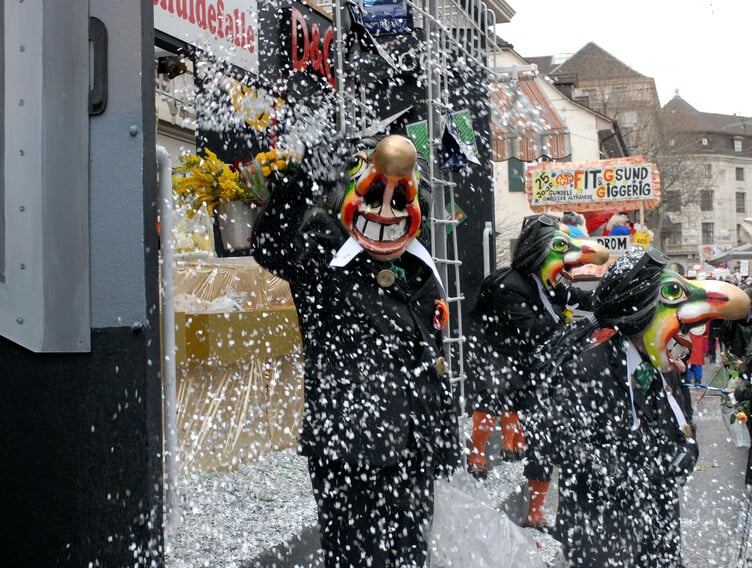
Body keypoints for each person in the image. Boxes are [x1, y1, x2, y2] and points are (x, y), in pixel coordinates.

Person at [251, 134, 460, 566]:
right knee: (357, 559)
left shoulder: (418, 267)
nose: (385, 213)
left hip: (410, 450)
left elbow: (427, 356)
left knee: (408, 556)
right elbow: (271, 246)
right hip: (351, 454)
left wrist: (440, 439)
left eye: (399, 199)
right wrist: (304, 177)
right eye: (373, 196)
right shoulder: (323, 255)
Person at [528, 246, 750, 566]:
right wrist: (634, 465)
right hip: (600, 530)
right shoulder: (588, 367)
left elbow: (682, 424)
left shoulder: (662, 365)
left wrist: (682, 454)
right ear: (637, 312)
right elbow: (561, 443)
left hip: (656, 524)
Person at [465, 214, 608, 529]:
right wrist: (570, 321)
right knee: (492, 397)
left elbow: (575, 298)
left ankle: (535, 511)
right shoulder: (507, 284)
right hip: (498, 359)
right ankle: (476, 455)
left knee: (544, 438)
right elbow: (531, 330)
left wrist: (606, 299)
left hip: (530, 368)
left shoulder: (545, 284)